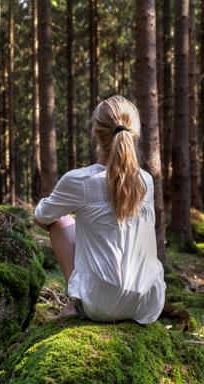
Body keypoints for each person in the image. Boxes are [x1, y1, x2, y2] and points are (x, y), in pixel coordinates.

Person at [34, 95, 166, 324]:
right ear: (135, 132)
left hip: (99, 306)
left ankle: (75, 302)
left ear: (95, 131)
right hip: (147, 303)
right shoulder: (146, 180)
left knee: (60, 222)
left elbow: (41, 216)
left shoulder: (80, 180)